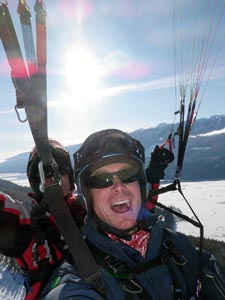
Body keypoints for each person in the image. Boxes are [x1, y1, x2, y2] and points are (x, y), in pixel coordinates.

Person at [39, 128, 225, 300]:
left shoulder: (178, 247)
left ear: (139, 185)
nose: (118, 187)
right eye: (102, 179)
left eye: (128, 174)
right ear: (88, 197)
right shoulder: (78, 281)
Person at [0, 139, 86, 300]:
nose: (53, 179)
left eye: (59, 170)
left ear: (70, 177)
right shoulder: (28, 220)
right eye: (42, 174)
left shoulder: (90, 211)